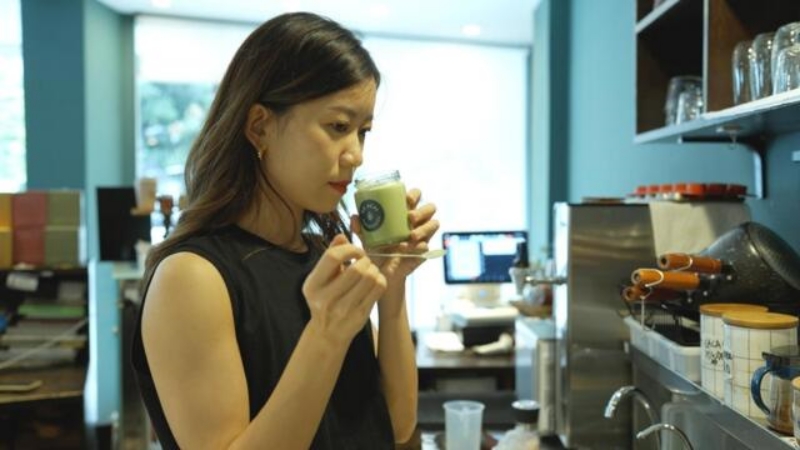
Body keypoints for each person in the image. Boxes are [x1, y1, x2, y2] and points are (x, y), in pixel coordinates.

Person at [131, 11, 439, 450]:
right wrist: (325, 335)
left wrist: (391, 290)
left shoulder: (325, 257)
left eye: (363, 132)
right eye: (338, 127)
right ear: (260, 127)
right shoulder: (192, 278)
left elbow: (396, 424)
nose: (355, 155)